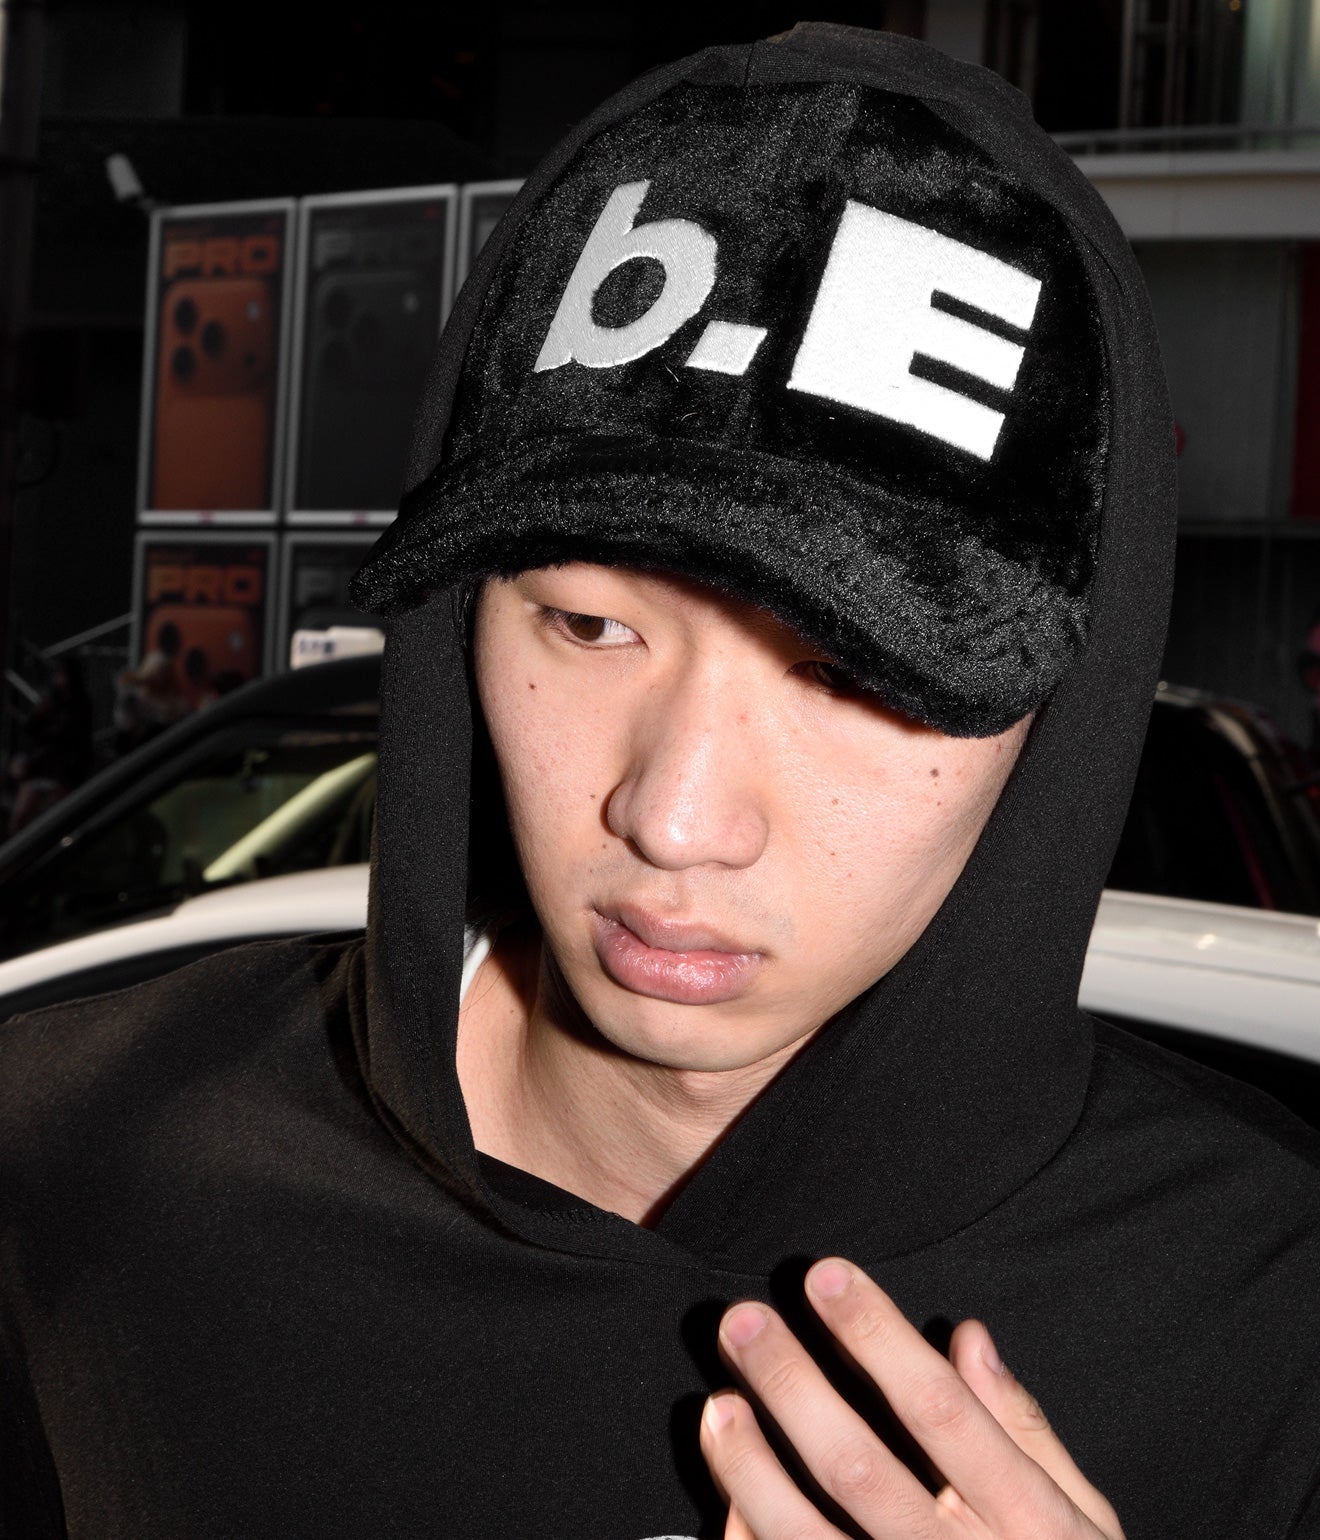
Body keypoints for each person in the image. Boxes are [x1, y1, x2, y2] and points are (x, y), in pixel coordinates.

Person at [3, 23, 1320, 1540]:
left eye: (856, 674)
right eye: (586, 625)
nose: (675, 819)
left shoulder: (1272, 1320)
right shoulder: (73, 1174)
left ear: (1061, 713)